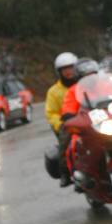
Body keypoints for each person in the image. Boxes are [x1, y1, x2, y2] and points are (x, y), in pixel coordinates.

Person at [57, 58, 100, 187]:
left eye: (92, 74)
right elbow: (68, 109)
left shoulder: (106, 84)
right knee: (71, 142)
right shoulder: (74, 90)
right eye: (86, 76)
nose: (90, 78)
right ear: (80, 77)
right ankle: (69, 172)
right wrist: (69, 116)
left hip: (105, 120)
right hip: (85, 123)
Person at [45, 52, 78, 187]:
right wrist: (61, 124)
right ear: (59, 72)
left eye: (71, 68)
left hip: (88, 120)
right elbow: (51, 113)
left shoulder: (84, 83)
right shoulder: (54, 91)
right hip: (67, 124)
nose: (68, 72)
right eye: (65, 69)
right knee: (66, 143)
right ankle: (65, 173)